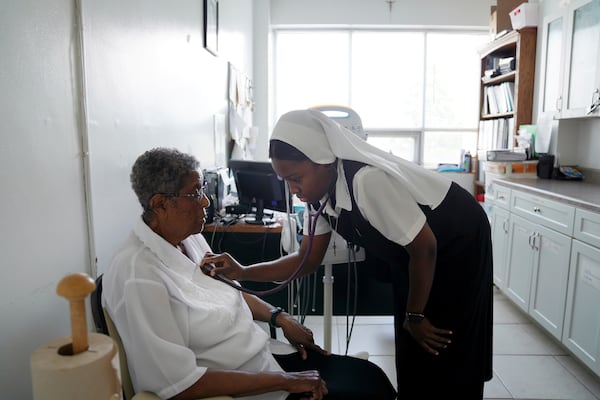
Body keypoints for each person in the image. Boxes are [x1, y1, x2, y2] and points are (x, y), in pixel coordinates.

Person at [202, 109, 494, 399]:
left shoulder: (367, 182)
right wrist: (243, 272)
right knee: (412, 343)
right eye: (286, 181)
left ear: (325, 163)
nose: (294, 191)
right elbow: (307, 260)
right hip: (414, 257)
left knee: (446, 344)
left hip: (455, 244)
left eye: (297, 179)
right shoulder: (319, 196)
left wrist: (416, 314)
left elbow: (425, 246)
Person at [102, 147, 397, 400]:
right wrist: (287, 382)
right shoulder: (138, 277)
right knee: (368, 393)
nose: (206, 201)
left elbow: (228, 290)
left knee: (370, 377)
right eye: (196, 193)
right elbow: (176, 384)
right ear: (161, 204)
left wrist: (280, 317)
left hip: (266, 357)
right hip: (254, 385)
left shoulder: (186, 238)